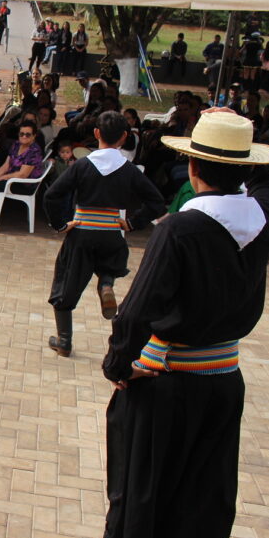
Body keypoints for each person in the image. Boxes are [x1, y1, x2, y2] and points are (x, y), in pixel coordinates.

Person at [87, 108, 269, 538]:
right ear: (243, 169)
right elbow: (265, 190)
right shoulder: (265, 219)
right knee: (193, 487)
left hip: (165, 379)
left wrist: (118, 366)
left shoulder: (181, 229)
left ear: (193, 170)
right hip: (222, 378)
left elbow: (135, 314)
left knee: (139, 481)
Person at [44, 111, 165, 357]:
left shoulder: (82, 165)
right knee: (108, 266)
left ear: (96, 133)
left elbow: (51, 195)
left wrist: (60, 224)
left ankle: (64, 340)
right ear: (123, 137)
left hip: (82, 233)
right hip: (112, 233)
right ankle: (106, 285)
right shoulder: (129, 170)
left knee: (66, 284)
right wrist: (132, 222)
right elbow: (156, 202)